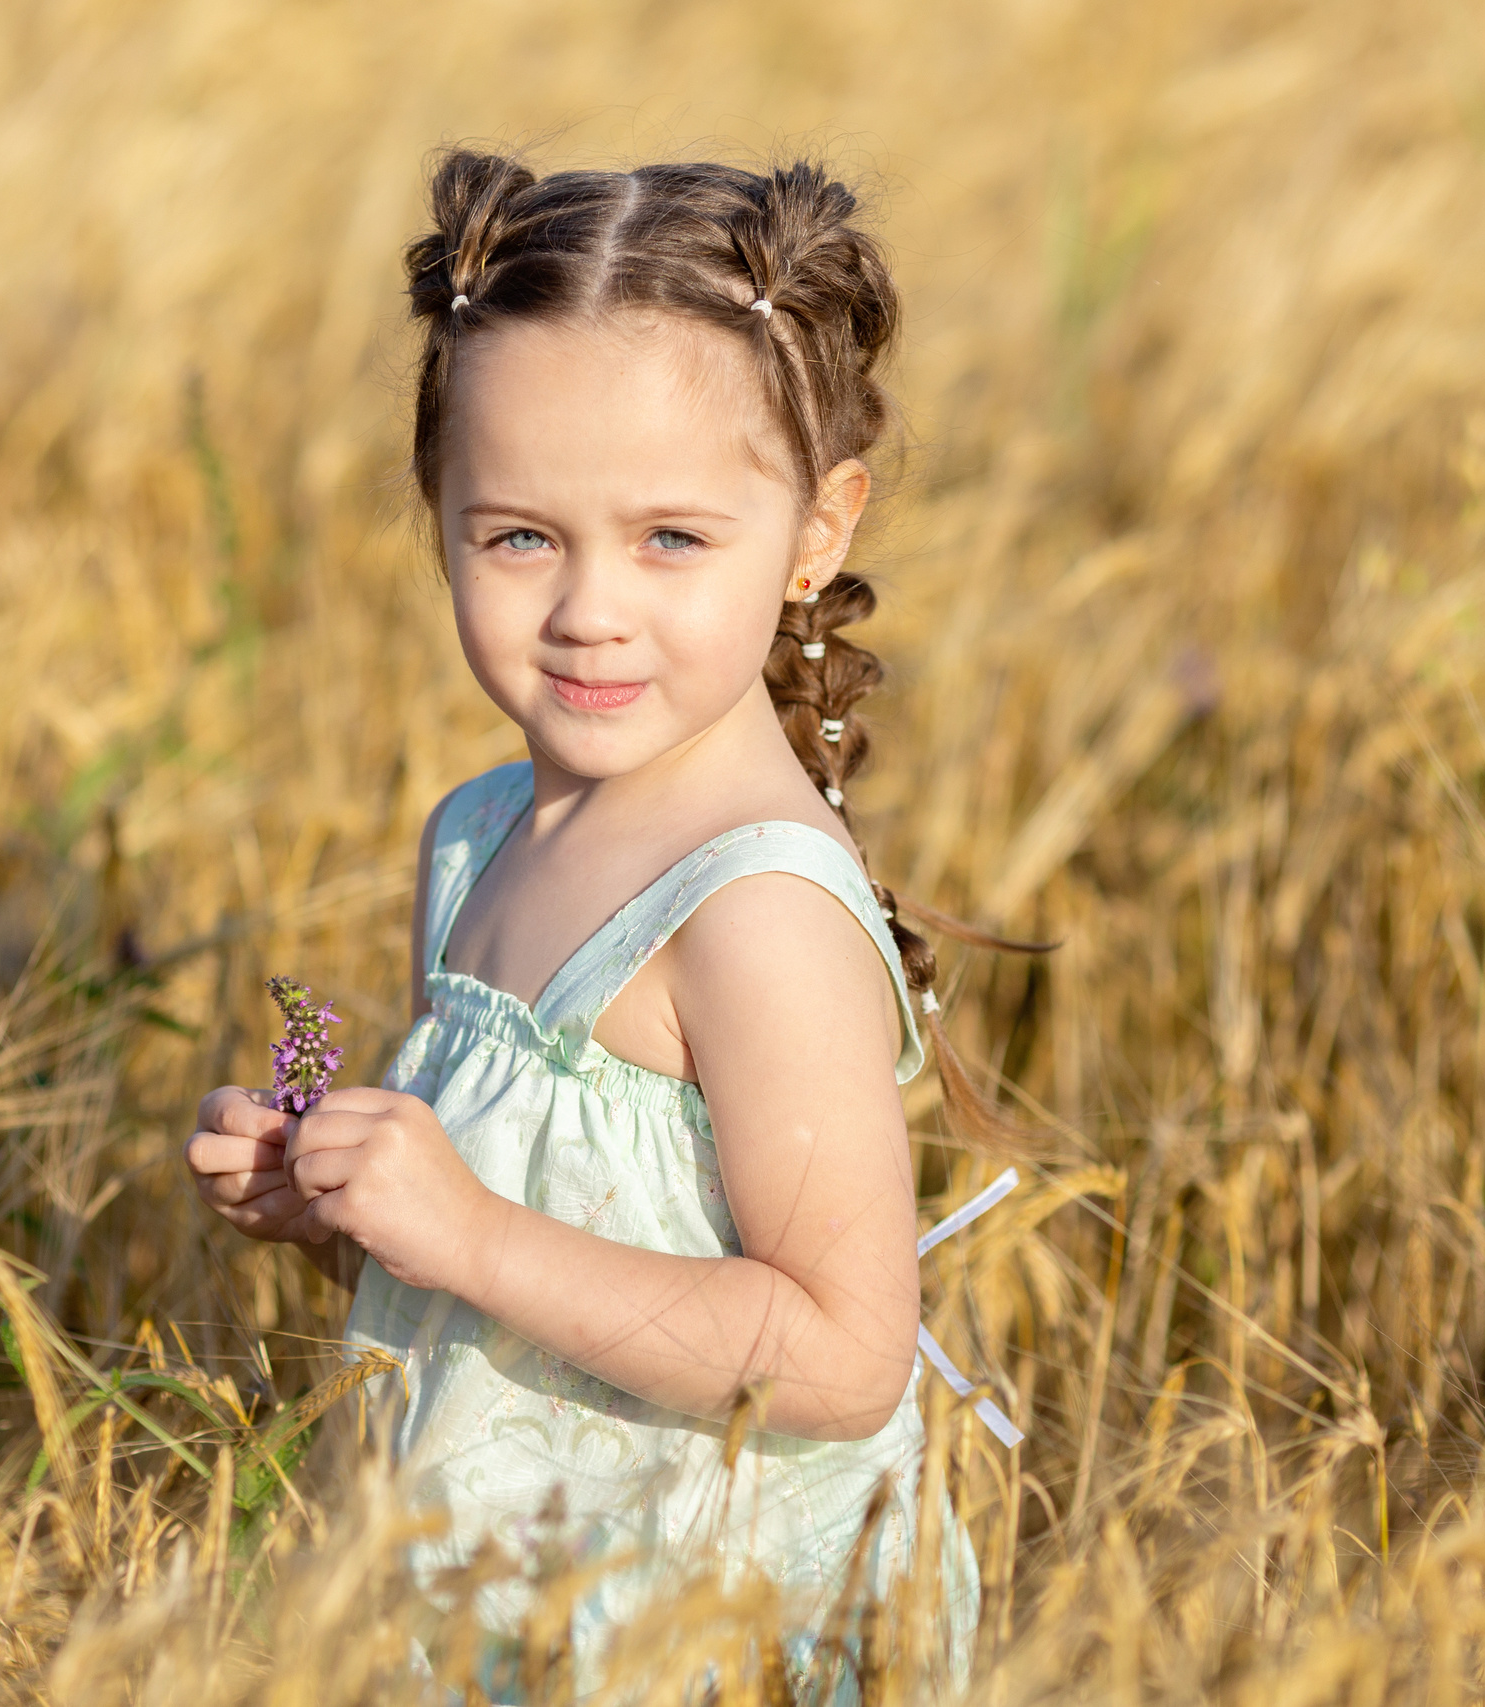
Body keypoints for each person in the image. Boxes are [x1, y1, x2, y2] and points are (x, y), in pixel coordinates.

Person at [184, 149, 991, 1699]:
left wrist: (471, 1234)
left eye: (673, 539)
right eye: (519, 537)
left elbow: (840, 1354)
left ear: (817, 533)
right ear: (437, 514)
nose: (589, 609)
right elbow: (534, 1241)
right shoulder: (480, 832)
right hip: (492, 1596)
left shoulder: (753, 913)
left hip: (694, 1631)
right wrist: (347, 1204)